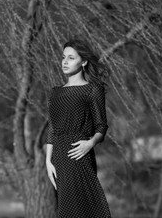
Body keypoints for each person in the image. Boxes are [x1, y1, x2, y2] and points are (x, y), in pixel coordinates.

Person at [46, 39, 111, 217]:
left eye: (71, 58)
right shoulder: (55, 92)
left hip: (78, 153)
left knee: (81, 208)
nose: (65, 62)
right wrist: (47, 160)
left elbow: (101, 126)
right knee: (66, 209)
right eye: (63, 57)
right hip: (58, 157)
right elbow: (52, 126)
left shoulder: (92, 90)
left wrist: (90, 143)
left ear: (83, 62)